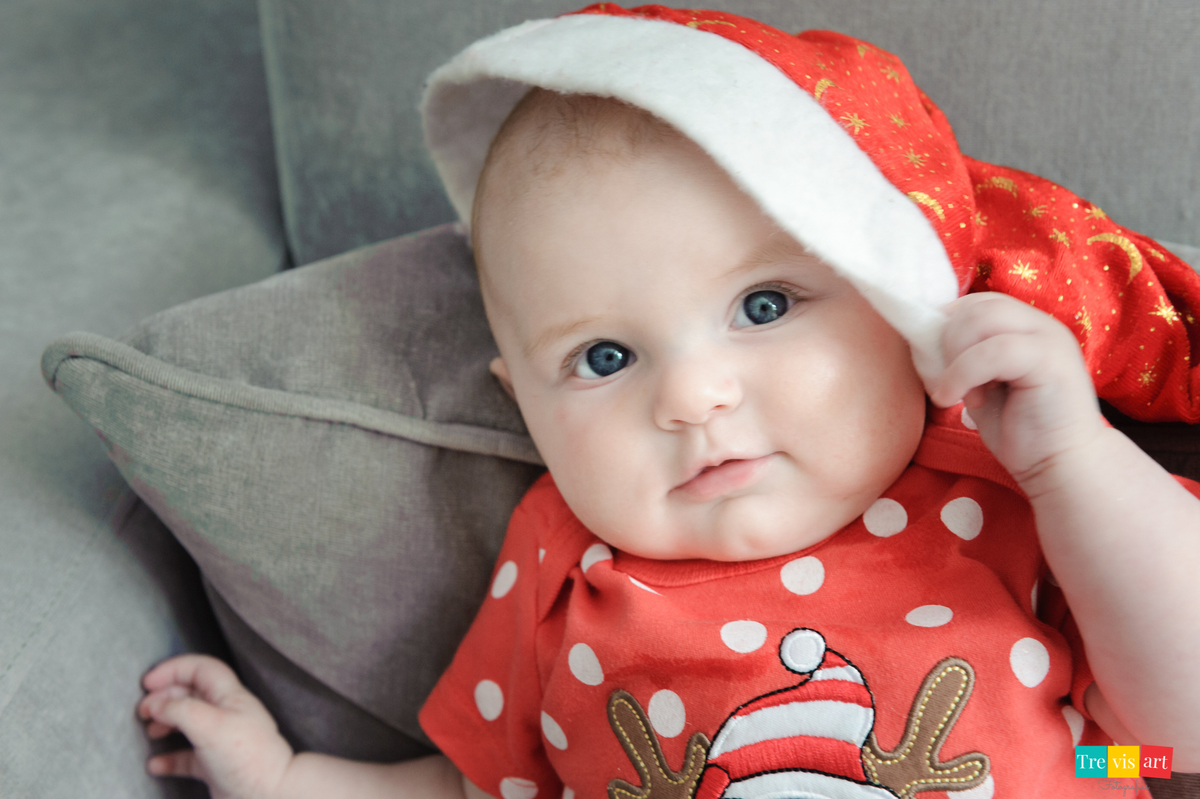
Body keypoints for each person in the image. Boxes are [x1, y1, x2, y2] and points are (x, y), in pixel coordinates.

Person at [136, 5, 1200, 798]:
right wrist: (285, 780)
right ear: (524, 406)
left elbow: (1174, 734)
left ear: (894, 304)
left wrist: (1075, 465)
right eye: (603, 359)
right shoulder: (562, 567)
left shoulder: (996, 482)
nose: (692, 396)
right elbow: (479, 788)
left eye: (766, 303)